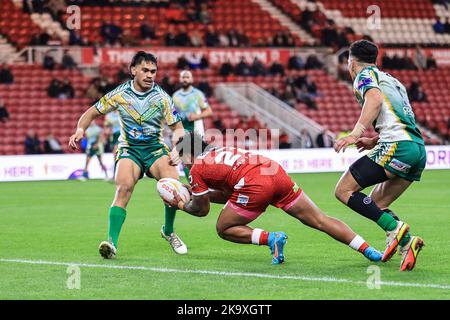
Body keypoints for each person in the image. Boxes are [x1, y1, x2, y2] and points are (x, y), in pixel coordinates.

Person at [166, 132, 382, 264]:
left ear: (188, 154)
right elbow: (229, 194)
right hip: (274, 172)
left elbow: (201, 210)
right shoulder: (222, 150)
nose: (182, 164)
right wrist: (196, 192)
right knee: (319, 219)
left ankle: (271, 238)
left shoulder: (197, 168)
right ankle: (368, 250)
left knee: (224, 228)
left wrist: (182, 203)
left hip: (253, 184)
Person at [69, 51, 187, 259]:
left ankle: (168, 231)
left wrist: (178, 149)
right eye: (145, 70)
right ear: (133, 71)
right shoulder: (119, 94)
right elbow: (91, 113)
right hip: (129, 149)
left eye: (153, 71)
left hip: (155, 148)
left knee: (174, 186)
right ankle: (111, 244)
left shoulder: (162, 98)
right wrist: (80, 130)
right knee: (123, 189)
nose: (150, 75)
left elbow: (178, 128)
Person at [334, 40, 425, 271]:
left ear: (351, 62)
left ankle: (395, 230)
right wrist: (374, 139)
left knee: (343, 190)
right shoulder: (393, 81)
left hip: (397, 146)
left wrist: (355, 134)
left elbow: (373, 100)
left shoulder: (363, 76)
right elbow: (401, 119)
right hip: (417, 148)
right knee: (375, 204)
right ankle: (407, 243)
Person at [172, 70, 213, 179]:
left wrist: (197, 116)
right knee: (185, 159)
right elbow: (172, 113)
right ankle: (192, 183)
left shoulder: (198, 94)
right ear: (180, 79)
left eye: (187, 77)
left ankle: (201, 183)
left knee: (198, 159)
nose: (185, 79)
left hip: (196, 130)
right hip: (182, 130)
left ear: (191, 79)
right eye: (183, 77)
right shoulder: (175, 96)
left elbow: (208, 111)